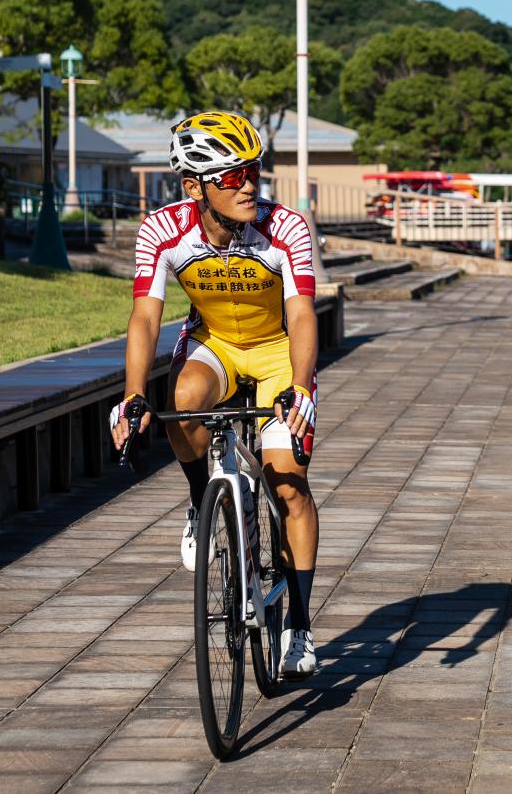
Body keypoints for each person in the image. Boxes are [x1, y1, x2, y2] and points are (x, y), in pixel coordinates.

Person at [108, 111, 320, 677]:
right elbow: (145, 318)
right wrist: (131, 395)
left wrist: (299, 386)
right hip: (216, 344)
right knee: (182, 402)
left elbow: (301, 314)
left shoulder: (286, 228)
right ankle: (203, 502)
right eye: (230, 177)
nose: (249, 185)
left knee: (288, 483)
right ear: (194, 187)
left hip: (277, 351)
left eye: (252, 171)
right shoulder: (162, 230)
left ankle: (298, 625)